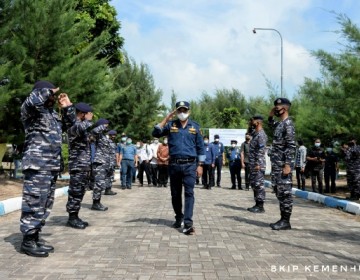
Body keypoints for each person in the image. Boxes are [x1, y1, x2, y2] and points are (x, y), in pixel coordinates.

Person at [20, 80, 75, 257]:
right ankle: (27, 241)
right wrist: (47, 91)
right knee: (34, 201)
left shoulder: (52, 115)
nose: (52, 97)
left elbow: (70, 125)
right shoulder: (31, 112)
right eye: (50, 94)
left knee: (44, 204)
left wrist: (67, 107)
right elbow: (32, 101)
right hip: (37, 165)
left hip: (50, 166)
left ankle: (35, 235)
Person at [152, 101, 205, 235]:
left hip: (190, 165)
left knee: (189, 193)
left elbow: (200, 147)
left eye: (184, 110)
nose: (182, 113)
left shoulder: (195, 127)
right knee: (175, 194)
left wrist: (200, 165)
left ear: (189, 111)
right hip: (174, 164)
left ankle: (188, 223)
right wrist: (166, 119)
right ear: (176, 111)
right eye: (179, 110)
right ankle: (178, 217)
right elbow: (155, 133)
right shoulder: (171, 125)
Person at [268, 97, 296, 230]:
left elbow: (291, 146)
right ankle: (282, 219)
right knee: (279, 192)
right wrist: (270, 116)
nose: (276, 110)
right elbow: (271, 125)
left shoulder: (288, 124)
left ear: (284, 108)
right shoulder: (280, 124)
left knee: (285, 193)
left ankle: (286, 221)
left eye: (277, 108)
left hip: (283, 164)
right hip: (277, 164)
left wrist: (288, 164)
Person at [66, 102, 94, 230]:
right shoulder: (75, 125)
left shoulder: (82, 126)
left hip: (83, 165)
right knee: (75, 191)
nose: (92, 116)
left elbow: (92, 136)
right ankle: (72, 217)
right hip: (77, 164)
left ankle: (75, 216)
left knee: (80, 191)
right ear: (83, 114)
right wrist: (88, 122)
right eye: (89, 113)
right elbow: (82, 129)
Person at [247, 116, 268, 213]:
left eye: (252, 121)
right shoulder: (255, 134)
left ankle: (260, 206)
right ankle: (257, 204)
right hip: (253, 164)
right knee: (254, 184)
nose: (251, 122)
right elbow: (248, 133)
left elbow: (261, 150)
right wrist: (249, 126)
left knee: (259, 185)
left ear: (258, 122)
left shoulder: (261, 135)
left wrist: (258, 163)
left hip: (258, 164)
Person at [91, 118, 112, 211]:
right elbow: (94, 131)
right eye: (106, 125)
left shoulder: (103, 136)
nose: (107, 126)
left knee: (101, 184)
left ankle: (97, 202)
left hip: (105, 162)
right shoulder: (97, 134)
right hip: (99, 162)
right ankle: (95, 203)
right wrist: (102, 126)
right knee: (99, 183)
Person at [104, 130, 117, 195]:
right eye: (112, 135)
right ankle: (106, 189)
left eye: (114, 135)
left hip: (112, 162)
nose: (114, 136)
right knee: (107, 176)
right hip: (108, 162)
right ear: (109, 135)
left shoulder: (113, 142)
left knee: (111, 176)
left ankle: (108, 189)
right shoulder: (106, 142)